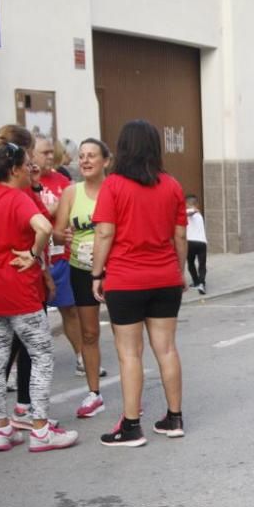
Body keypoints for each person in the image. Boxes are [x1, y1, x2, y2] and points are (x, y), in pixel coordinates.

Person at [0, 125, 79, 455]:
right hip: (20, 291)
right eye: (26, 165)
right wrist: (35, 253)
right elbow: (44, 227)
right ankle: (40, 429)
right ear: (14, 170)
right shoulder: (17, 198)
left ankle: (2, 428)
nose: (31, 169)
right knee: (40, 356)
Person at [91, 120, 188, 447]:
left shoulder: (113, 185)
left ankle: (131, 426)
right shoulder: (172, 185)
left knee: (130, 354)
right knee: (167, 348)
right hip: (165, 278)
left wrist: (96, 274)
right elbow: (180, 235)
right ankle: (174, 418)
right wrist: (180, 271)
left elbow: (104, 232)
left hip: (125, 280)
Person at [33, 133, 102, 378]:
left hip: (62, 258)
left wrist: (64, 235)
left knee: (70, 309)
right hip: (33, 257)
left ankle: (81, 356)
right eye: (45, 152)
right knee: (29, 316)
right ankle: (19, 367)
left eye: (53, 151)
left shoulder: (62, 181)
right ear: (30, 155)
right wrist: (54, 211)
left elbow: (62, 228)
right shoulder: (23, 182)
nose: (52, 156)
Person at [53, 138, 111, 418]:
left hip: (115, 270)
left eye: (92, 156)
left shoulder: (115, 190)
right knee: (90, 333)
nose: (85, 161)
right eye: (82, 156)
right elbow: (56, 231)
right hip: (81, 269)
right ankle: (94, 393)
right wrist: (59, 235)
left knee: (128, 334)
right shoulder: (71, 193)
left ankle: (132, 384)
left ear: (106, 161)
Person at [185, 194, 208, 294]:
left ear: (187, 204)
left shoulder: (190, 212)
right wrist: (195, 211)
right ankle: (201, 283)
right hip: (202, 243)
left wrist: (193, 210)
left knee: (190, 263)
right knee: (202, 265)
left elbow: (189, 213)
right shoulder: (199, 215)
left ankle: (196, 281)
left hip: (190, 242)